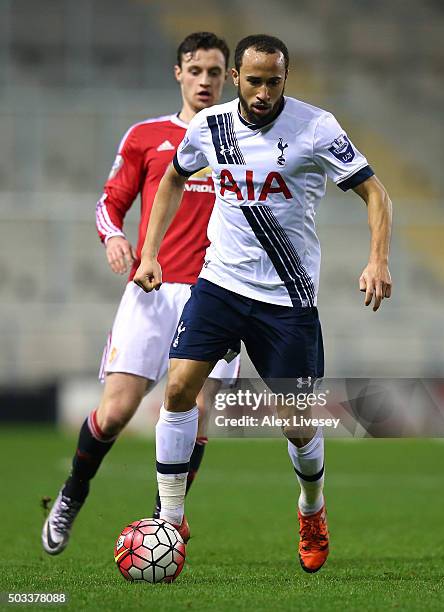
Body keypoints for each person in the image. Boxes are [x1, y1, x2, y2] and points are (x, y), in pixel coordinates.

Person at [134, 34, 393, 574]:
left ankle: (312, 509)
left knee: (297, 424)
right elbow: (173, 180)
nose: (263, 91)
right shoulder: (211, 127)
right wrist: (150, 252)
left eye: (273, 81)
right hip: (221, 285)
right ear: (236, 78)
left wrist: (377, 260)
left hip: (287, 299)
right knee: (179, 387)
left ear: (285, 79)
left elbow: (376, 193)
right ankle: (169, 521)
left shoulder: (316, 127)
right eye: (253, 80)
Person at [42, 32, 239, 555]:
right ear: (179, 73)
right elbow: (111, 202)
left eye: (214, 72)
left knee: (195, 411)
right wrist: (115, 238)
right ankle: (71, 494)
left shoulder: (243, 140)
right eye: (195, 70)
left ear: (228, 78)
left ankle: (163, 523)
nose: (204, 81)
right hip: (151, 291)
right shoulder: (147, 136)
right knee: (116, 412)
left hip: (215, 295)